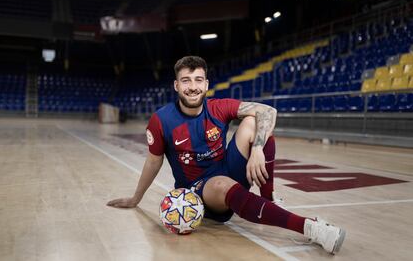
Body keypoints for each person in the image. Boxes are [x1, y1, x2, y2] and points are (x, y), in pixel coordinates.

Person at [107, 56, 346, 254]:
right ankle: (311, 228)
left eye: (198, 80)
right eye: (186, 80)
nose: (193, 86)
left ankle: (268, 198)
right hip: (199, 190)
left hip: (228, 170)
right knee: (222, 183)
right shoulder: (162, 119)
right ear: (176, 85)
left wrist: (257, 149)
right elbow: (153, 160)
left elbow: (268, 111)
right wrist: (136, 198)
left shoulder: (218, 107)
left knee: (256, 123)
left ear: (206, 84)